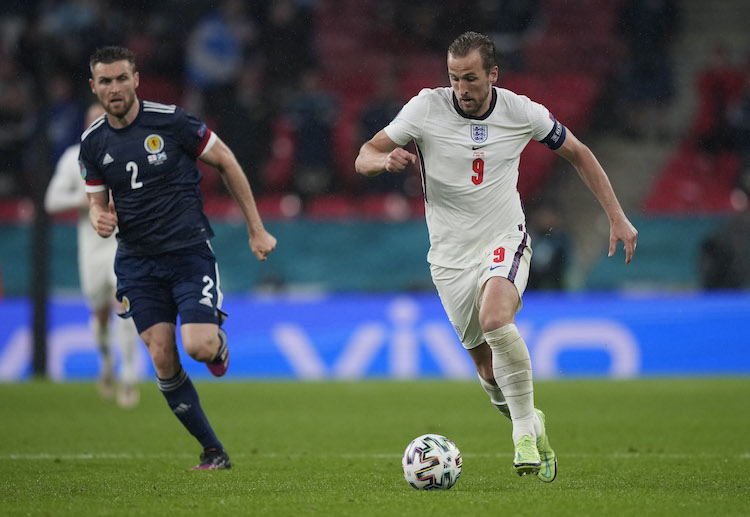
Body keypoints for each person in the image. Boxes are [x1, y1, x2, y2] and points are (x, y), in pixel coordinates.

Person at [355, 31, 638, 482]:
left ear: (493, 74)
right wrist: (382, 163)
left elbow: (580, 154)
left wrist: (617, 217)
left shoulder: (521, 111)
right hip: (448, 256)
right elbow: (365, 154)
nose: (462, 89)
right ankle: (532, 423)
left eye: (470, 79)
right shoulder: (424, 108)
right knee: (488, 371)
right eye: (454, 79)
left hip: (504, 237)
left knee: (495, 317)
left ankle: (523, 433)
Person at [80, 46, 277, 470]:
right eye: (105, 81)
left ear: (136, 79)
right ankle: (213, 451)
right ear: (93, 86)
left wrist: (256, 229)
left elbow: (224, 160)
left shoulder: (171, 121)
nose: (114, 88)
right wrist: (99, 216)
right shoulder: (92, 143)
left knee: (199, 346)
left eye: (121, 78)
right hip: (137, 263)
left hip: (188, 254)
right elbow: (97, 202)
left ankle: (218, 345)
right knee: (163, 357)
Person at [45, 102, 141, 409]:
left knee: (123, 300)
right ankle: (106, 361)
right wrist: (86, 198)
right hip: (92, 249)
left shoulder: (129, 152)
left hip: (123, 244)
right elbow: (50, 201)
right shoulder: (73, 157)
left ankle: (128, 376)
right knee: (100, 315)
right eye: (93, 120)